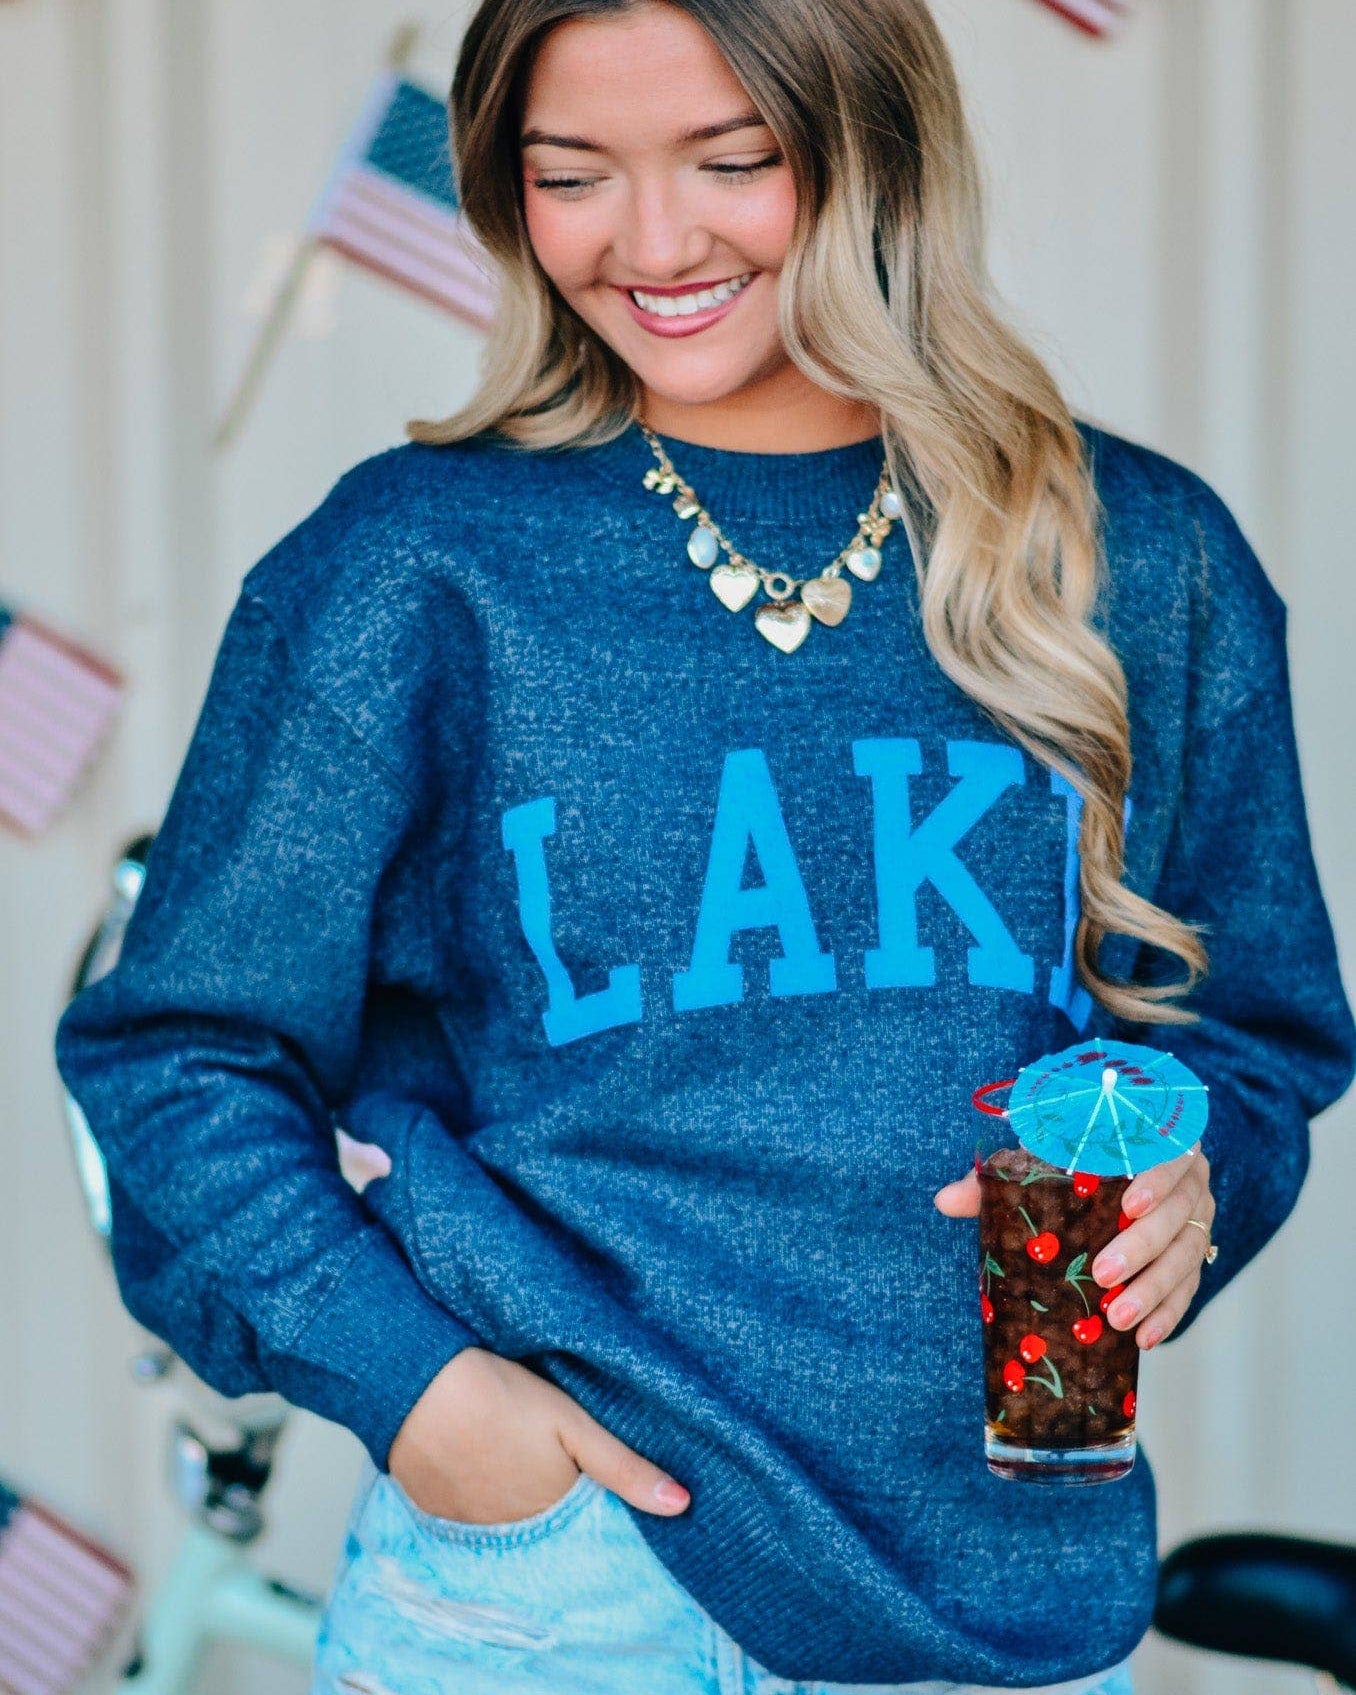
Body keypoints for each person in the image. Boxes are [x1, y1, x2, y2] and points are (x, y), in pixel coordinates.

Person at [54, 0, 1356, 1692]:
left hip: (1002, 1592)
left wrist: (1197, 1181)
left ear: (875, 153)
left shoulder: (1135, 561)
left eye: (732, 162)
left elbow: (1251, 1036)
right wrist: (419, 1391)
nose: (651, 242)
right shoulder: (413, 570)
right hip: (550, 1588)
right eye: (570, 175)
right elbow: (179, 1054)